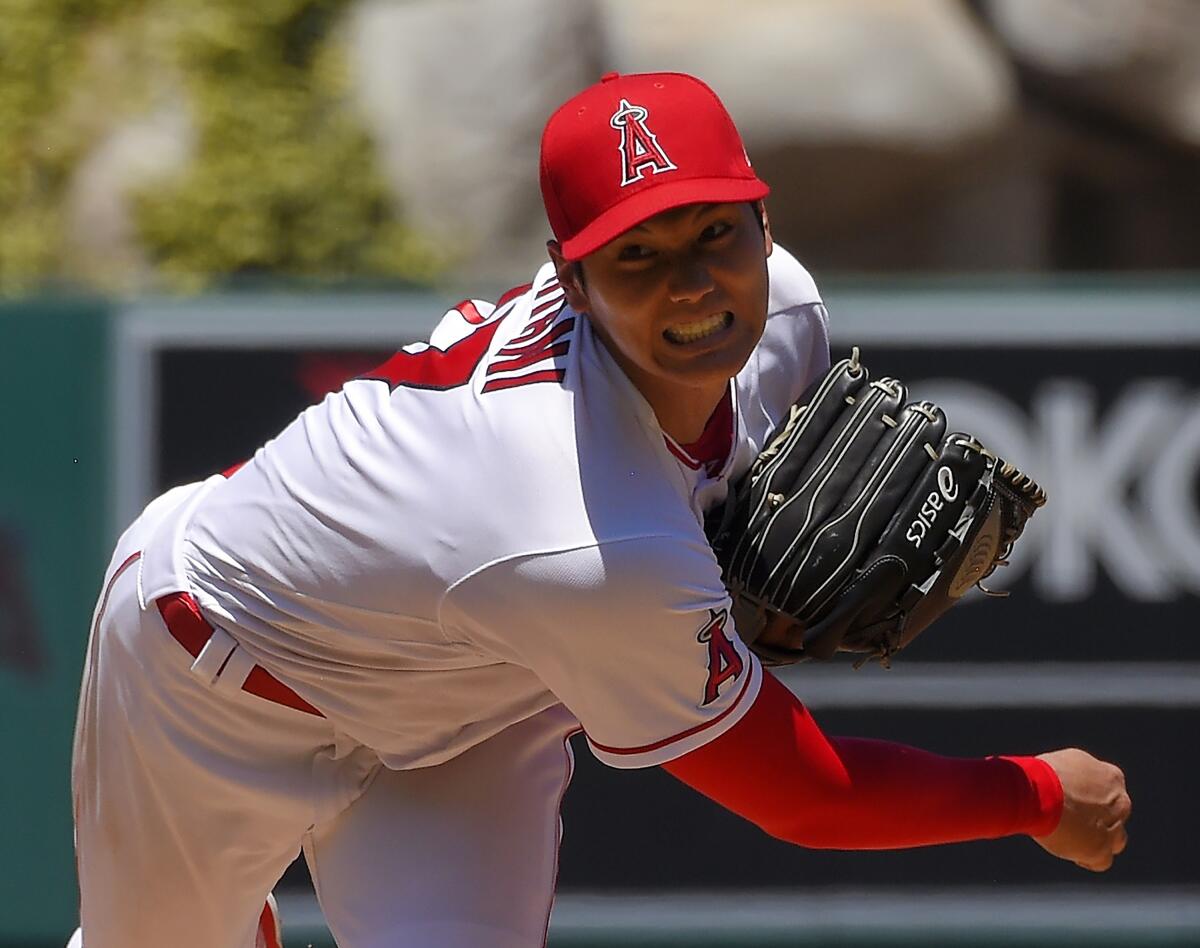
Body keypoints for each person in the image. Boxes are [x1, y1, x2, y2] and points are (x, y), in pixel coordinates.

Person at [71, 71, 1130, 948]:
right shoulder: (583, 535)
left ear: (766, 225)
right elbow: (809, 797)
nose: (693, 286)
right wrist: (1035, 792)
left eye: (716, 231)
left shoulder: (786, 315)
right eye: (638, 255)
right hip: (212, 675)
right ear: (569, 281)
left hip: (478, 689)